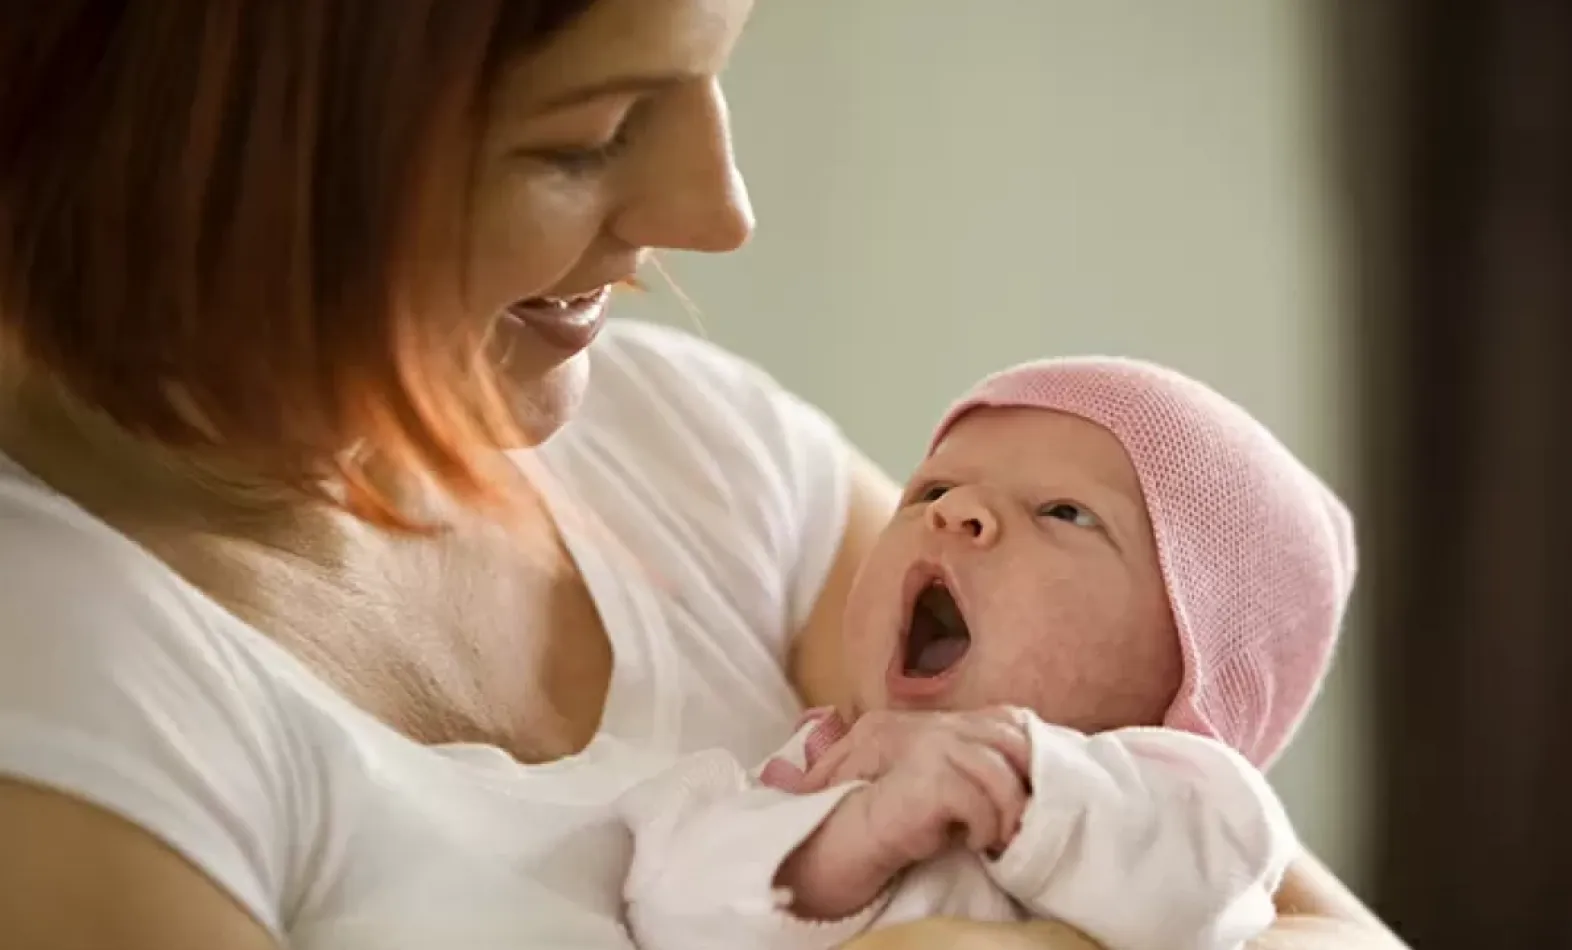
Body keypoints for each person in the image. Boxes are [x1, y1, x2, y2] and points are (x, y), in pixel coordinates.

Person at [0, 3, 1404, 949]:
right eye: (590, 133)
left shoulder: (692, 447)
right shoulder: (69, 687)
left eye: (712, 74)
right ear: (214, 151)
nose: (718, 213)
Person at [618, 357, 1353, 950]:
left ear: (1191, 663)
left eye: (1064, 512)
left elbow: (1197, 904)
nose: (953, 510)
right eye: (932, 488)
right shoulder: (810, 776)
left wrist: (1021, 778)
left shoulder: (1197, 803)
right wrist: (845, 842)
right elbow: (670, 913)